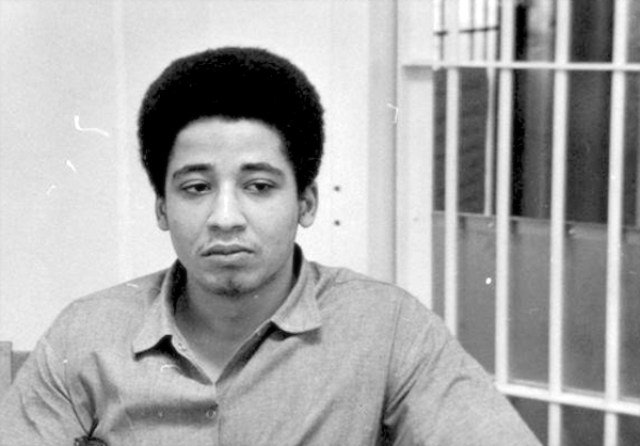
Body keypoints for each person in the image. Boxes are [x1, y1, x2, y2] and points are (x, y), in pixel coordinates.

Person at [0, 47, 541, 446]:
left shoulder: (387, 328)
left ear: (306, 203)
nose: (226, 218)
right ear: (162, 208)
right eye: (195, 188)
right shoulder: (88, 333)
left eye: (258, 186)